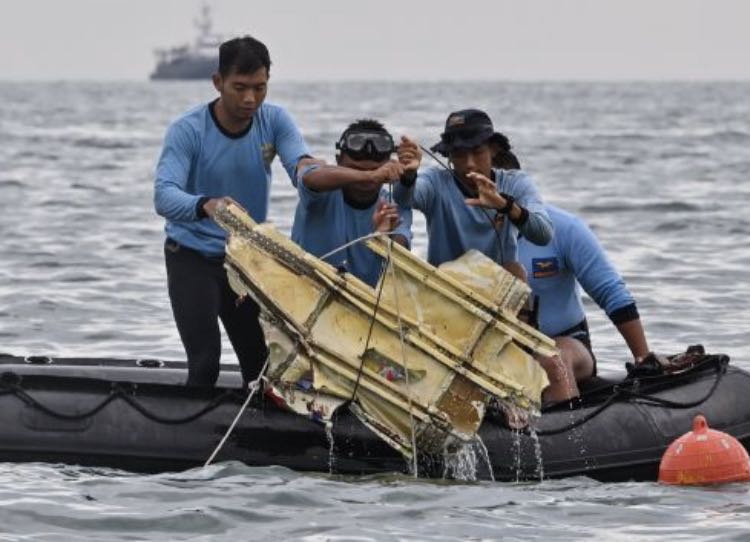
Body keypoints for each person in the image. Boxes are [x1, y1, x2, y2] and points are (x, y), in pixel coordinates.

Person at [154, 36, 316, 388]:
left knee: (263, 369)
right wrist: (206, 205)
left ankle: (255, 440)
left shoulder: (273, 121)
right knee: (206, 362)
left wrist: (324, 175)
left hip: (244, 262)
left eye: (260, 88)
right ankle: (196, 438)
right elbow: (163, 197)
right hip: (191, 258)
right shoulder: (188, 130)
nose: (250, 99)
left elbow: (301, 167)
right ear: (218, 82)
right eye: (239, 88)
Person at [491, 143, 651, 404]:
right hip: (494, 349)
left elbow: (612, 293)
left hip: (566, 342)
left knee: (554, 361)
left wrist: (642, 358)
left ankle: (571, 438)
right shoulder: (466, 236)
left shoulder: (564, 228)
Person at [393, 109, 552, 279]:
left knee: (515, 271)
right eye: (460, 154)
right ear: (449, 156)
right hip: (445, 287)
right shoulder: (436, 182)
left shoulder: (515, 183)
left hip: (498, 288)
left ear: (494, 149)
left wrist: (505, 205)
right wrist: (408, 175)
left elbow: (544, 234)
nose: (470, 163)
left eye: (477, 152)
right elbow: (405, 198)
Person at [291, 119, 414, 286]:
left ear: (389, 165)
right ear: (338, 161)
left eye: (375, 169)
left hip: (362, 303)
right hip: (306, 288)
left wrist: (383, 237)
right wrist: (371, 176)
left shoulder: (392, 205)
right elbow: (309, 177)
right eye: (355, 169)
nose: (367, 179)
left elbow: (403, 252)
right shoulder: (320, 192)